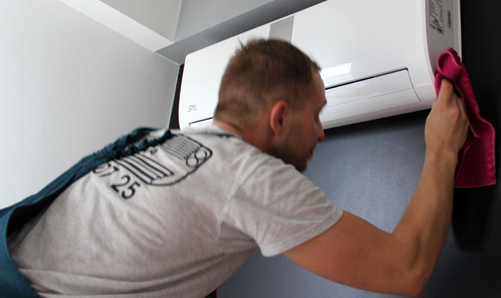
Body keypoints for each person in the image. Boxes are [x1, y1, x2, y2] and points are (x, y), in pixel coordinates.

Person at [3, 39, 468, 297]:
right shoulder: (250, 175)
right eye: (316, 115)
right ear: (279, 118)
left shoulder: (157, 141)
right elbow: (404, 269)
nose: (321, 133)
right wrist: (441, 149)